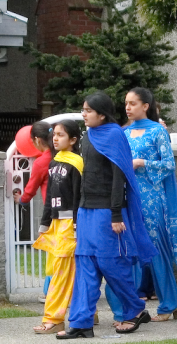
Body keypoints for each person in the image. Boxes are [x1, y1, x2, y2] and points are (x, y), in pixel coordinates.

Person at [58, 92, 157, 339]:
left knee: (112, 264)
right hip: (86, 210)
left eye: (88, 110)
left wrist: (116, 215)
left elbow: (118, 177)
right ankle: (81, 323)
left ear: (102, 114)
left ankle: (135, 310)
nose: (84, 114)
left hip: (108, 213)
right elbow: (86, 175)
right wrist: (77, 212)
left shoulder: (114, 135)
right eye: (83, 110)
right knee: (85, 266)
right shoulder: (88, 136)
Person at [121, 88, 177, 321]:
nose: (128, 108)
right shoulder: (124, 132)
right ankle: (133, 305)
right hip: (129, 196)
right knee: (132, 249)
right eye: (126, 104)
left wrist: (141, 162)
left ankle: (169, 303)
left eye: (132, 103)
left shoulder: (158, 131)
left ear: (145, 106)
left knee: (156, 250)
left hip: (152, 197)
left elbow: (169, 164)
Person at [31, 120, 83, 334]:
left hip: (70, 225)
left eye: (61, 135)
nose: (55, 138)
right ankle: (85, 313)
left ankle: (54, 318)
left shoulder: (77, 163)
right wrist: (45, 223)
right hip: (56, 224)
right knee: (64, 271)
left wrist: (78, 226)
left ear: (73, 140)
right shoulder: (54, 163)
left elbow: (79, 196)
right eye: (55, 134)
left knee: (64, 272)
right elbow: (50, 196)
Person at [17, 122, 53, 298]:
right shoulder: (63, 157)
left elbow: (30, 190)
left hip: (51, 215)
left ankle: (49, 291)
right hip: (70, 212)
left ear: (37, 140)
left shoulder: (41, 162)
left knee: (53, 255)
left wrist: (21, 200)